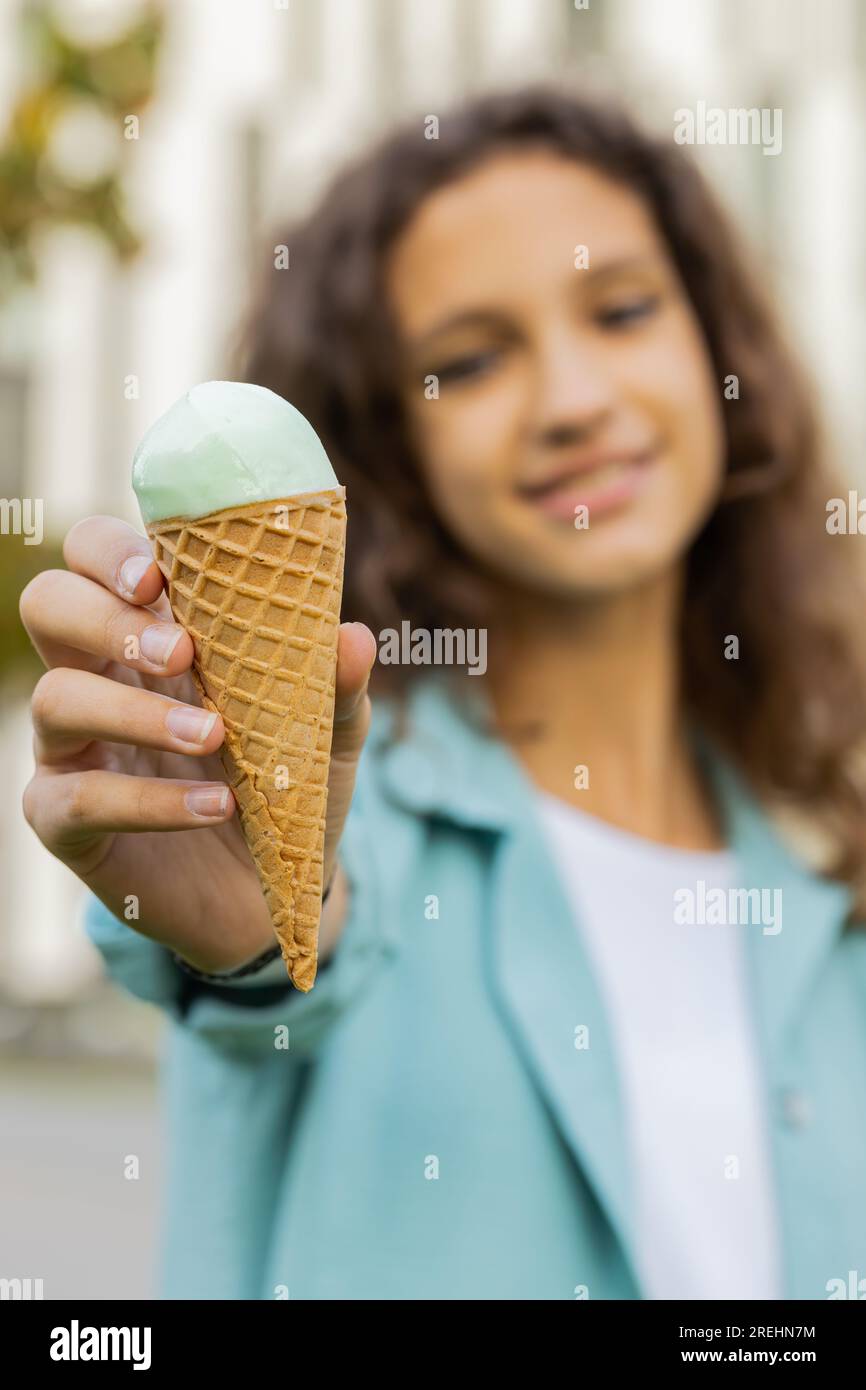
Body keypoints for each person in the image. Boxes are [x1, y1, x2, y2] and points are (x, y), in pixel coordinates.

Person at [18, 86, 866, 1301]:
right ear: (386, 442)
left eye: (620, 309)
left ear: (714, 348)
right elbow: (268, 991)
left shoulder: (826, 847)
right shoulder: (343, 833)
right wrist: (251, 933)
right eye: (467, 359)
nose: (573, 399)